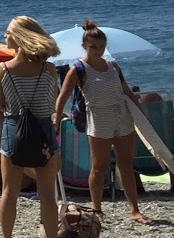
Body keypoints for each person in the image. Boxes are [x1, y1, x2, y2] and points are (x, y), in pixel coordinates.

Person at [54, 20, 150, 225]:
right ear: (85, 46)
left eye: (101, 47)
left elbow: (125, 90)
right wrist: (56, 117)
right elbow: (63, 95)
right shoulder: (78, 69)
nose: (98, 51)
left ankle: (134, 209)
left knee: (126, 164)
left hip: (121, 114)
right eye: (93, 47)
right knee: (99, 166)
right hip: (98, 117)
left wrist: (141, 112)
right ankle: (97, 210)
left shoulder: (113, 66)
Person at [0, 16, 63, 238]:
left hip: (14, 132)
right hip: (43, 132)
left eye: (8, 33)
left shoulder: (2, 70)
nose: (5, 36)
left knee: (9, 193)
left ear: (19, 36)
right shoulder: (49, 70)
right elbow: (51, 103)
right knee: (47, 195)